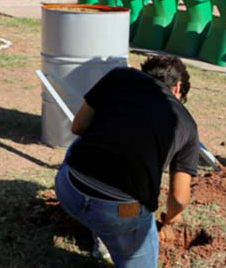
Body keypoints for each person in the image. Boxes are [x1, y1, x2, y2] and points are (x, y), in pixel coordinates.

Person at [55, 55, 199, 267]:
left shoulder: (120, 76)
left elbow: (78, 127)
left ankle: (101, 236)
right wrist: (170, 218)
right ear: (177, 88)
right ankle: (107, 230)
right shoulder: (186, 122)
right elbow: (178, 198)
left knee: (80, 146)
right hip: (119, 212)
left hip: (69, 189)